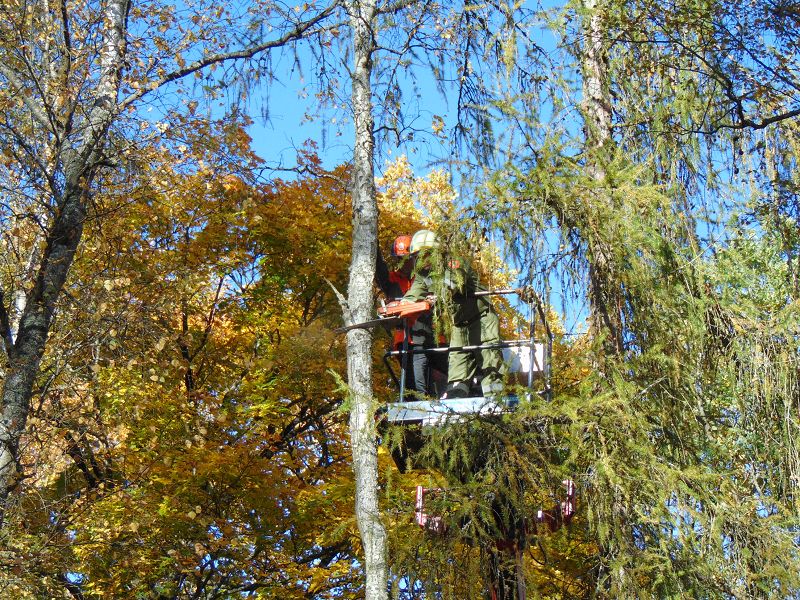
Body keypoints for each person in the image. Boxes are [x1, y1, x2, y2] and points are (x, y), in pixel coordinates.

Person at [401, 229, 504, 399]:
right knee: (457, 369)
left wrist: (439, 295)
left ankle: (495, 401)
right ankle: (456, 401)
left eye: (423, 255)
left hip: (482, 320)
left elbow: (455, 283)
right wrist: (400, 306)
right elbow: (413, 294)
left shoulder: (454, 263)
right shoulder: (422, 274)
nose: (419, 260)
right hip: (459, 325)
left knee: (490, 363)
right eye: (416, 256)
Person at [375, 235, 445, 397]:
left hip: (433, 337)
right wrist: (373, 242)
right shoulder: (391, 280)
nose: (404, 263)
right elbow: (379, 269)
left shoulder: (424, 276)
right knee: (412, 383)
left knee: (436, 378)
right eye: (400, 259)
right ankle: (414, 409)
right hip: (406, 339)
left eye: (407, 258)